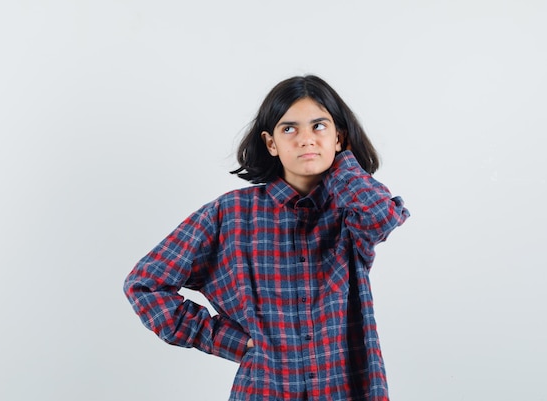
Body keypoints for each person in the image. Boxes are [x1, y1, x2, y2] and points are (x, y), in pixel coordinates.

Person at [123, 75, 410, 400]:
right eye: (289, 128)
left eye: (319, 126)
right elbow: (144, 284)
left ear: (339, 136)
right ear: (270, 143)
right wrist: (231, 340)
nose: (305, 139)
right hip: (265, 390)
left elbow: (383, 218)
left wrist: (341, 162)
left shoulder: (350, 211)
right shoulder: (229, 214)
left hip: (345, 389)